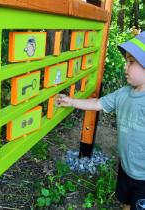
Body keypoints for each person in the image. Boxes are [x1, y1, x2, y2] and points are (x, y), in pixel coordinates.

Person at [56, 31, 145, 210]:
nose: (125, 67)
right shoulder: (123, 94)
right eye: (126, 61)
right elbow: (98, 103)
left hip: (144, 177)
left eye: (131, 62)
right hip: (126, 168)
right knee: (126, 202)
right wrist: (71, 101)